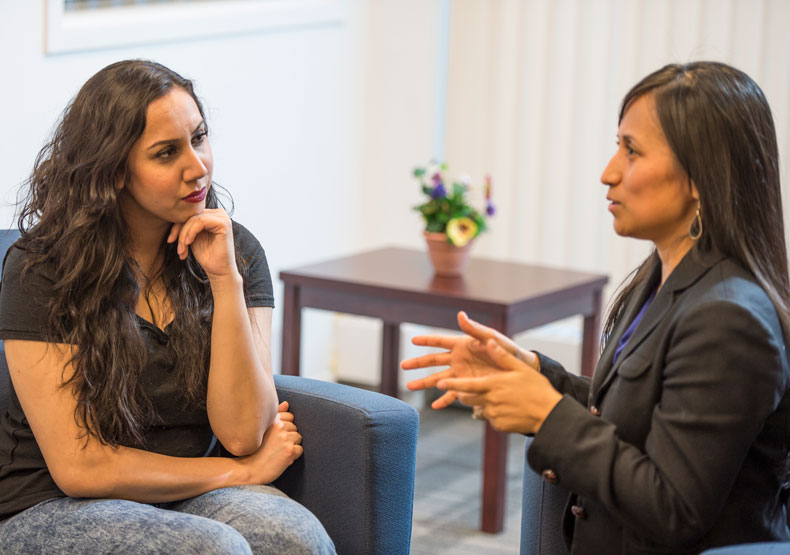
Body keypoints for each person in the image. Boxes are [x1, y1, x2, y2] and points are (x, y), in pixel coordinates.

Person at [402, 61, 790, 553]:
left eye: (632, 151)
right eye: (617, 146)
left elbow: (674, 509)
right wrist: (539, 376)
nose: (609, 173)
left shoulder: (731, 318)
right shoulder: (663, 275)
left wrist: (547, 414)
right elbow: (646, 413)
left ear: (700, 177)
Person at [0, 60, 335, 554]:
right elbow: (81, 467)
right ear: (113, 172)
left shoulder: (235, 252)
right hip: (51, 505)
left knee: (296, 539)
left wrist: (225, 282)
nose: (197, 167)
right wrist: (238, 473)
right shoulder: (45, 267)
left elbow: (245, 433)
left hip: (190, 495)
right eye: (166, 153)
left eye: (199, 138)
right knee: (213, 549)